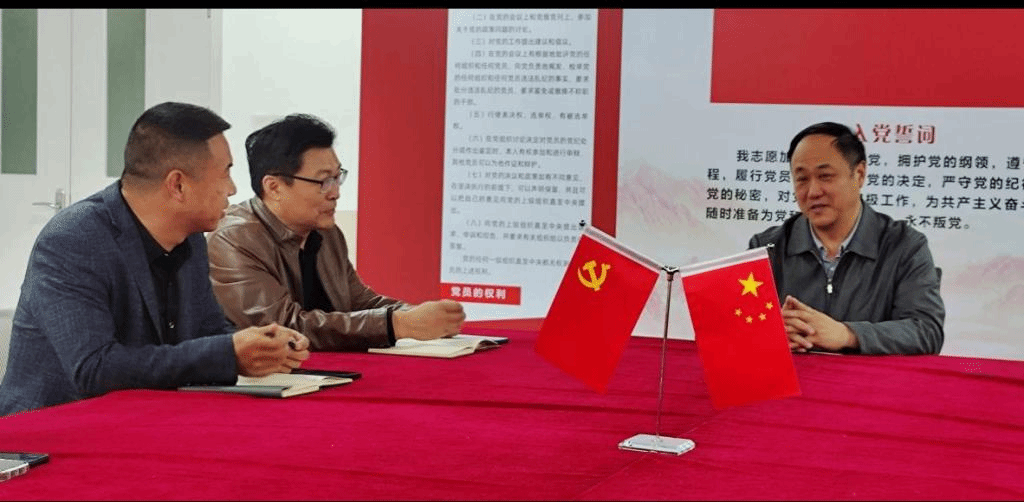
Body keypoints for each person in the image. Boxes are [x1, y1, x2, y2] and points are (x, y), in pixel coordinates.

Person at [0, 102, 310, 416]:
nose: (232, 189)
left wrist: (261, 344)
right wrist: (227, 354)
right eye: (225, 173)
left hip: (144, 418)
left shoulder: (190, 236)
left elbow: (208, 332)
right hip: (51, 427)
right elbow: (94, 368)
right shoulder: (74, 239)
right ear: (178, 185)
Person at [206, 114, 465, 351]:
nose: (335, 192)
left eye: (337, 177)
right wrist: (397, 324)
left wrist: (418, 315)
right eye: (323, 181)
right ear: (274, 187)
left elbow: (359, 302)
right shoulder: (234, 239)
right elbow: (283, 327)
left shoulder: (326, 233)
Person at [749, 122, 944, 355]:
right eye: (801, 179)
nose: (813, 191)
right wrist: (770, 331)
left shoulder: (904, 246)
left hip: (870, 379)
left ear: (859, 174)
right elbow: (740, 330)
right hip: (795, 378)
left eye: (825, 176)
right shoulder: (767, 248)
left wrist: (847, 335)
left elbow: (927, 331)